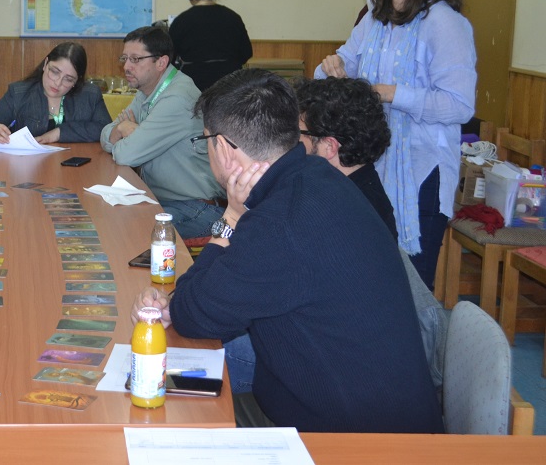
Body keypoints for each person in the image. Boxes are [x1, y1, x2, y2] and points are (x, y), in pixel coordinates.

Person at [133, 69, 444, 433]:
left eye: (205, 142)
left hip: (350, 442)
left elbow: (190, 314)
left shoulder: (279, 223)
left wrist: (231, 215)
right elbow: (196, 300)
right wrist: (233, 214)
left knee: (167, 411)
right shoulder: (315, 177)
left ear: (223, 147)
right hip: (360, 411)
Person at [224, 76, 448, 395]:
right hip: (325, 336)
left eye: (296, 135)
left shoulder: (333, 208)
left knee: (206, 349)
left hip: (337, 371)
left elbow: (253, 283)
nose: (286, 144)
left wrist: (235, 216)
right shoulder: (355, 187)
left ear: (329, 147)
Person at [316, 0, 477, 289]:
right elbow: (338, 67)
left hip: (421, 173)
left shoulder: (445, 23)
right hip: (369, 165)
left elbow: (459, 105)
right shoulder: (375, 19)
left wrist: (392, 93)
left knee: (410, 286)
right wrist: (330, 66)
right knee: (367, 275)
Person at [100, 26, 224, 239]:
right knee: (107, 220)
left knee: (129, 235)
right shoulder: (149, 90)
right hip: (163, 200)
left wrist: (130, 137)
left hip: (196, 208)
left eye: (135, 59)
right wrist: (121, 130)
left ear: (161, 62)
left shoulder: (177, 98)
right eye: (125, 58)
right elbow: (106, 135)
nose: (127, 67)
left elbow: (125, 155)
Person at [0, 42, 110, 146]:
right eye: (55, 72)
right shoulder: (19, 93)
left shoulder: (90, 95)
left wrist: (58, 133)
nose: (57, 83)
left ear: (77, 81)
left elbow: (106, 129)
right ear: (45, 64)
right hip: (28, 170)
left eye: (68, 79)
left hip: (78, 169)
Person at [168, 0, 252, 92]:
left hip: (193, 87)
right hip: (230, 86)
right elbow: (247, 53)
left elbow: (170, 58)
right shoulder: (233, 18)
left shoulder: (181, 21)